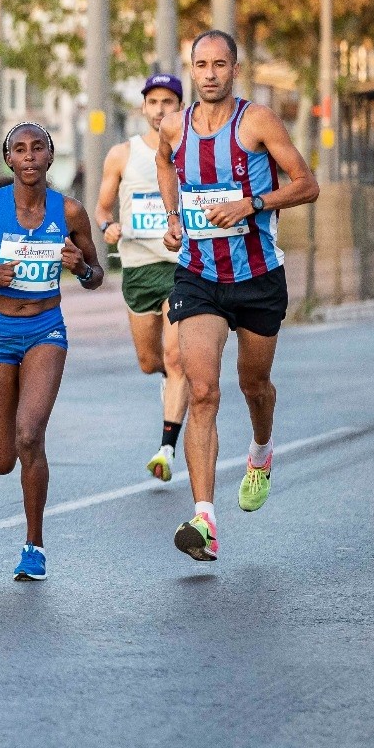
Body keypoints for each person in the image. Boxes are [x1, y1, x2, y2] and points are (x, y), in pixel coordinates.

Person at [156, 30, 318, 563]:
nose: (208, 74)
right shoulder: (174, 125)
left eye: (218, 64)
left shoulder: (257, 121)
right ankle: (204, 520)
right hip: (198, 275)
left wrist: (251, 204)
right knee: (202, 390)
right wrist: (175, 217)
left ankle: (261, 450)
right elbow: (164, 161)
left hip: (257, 277)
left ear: (234, 69)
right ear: (191, 69)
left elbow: (306, 184)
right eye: (200, 65)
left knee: (255, 384)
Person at [0, 122, 104, 581]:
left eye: (38, 148)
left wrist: (81, 269)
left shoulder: (69, 212)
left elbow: (97, 276)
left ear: (50, 158)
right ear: (8, 160)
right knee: (1, 459)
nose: (30, 156)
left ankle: (34, 545)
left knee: (30, 433)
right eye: (20, 149)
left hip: (44, 330)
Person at [94, 73, 191, 482]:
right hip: (137, 269)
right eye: (153, 102)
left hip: (183, 267)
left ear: (180, 106)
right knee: (150, 361)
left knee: (175, 356)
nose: (161, 109)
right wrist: (107, 227)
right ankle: (170, 386)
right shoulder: (121, 154)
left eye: (169, 101)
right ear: (144, 108)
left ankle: (166, 447)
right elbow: (101, 208)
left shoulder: (191, 151)